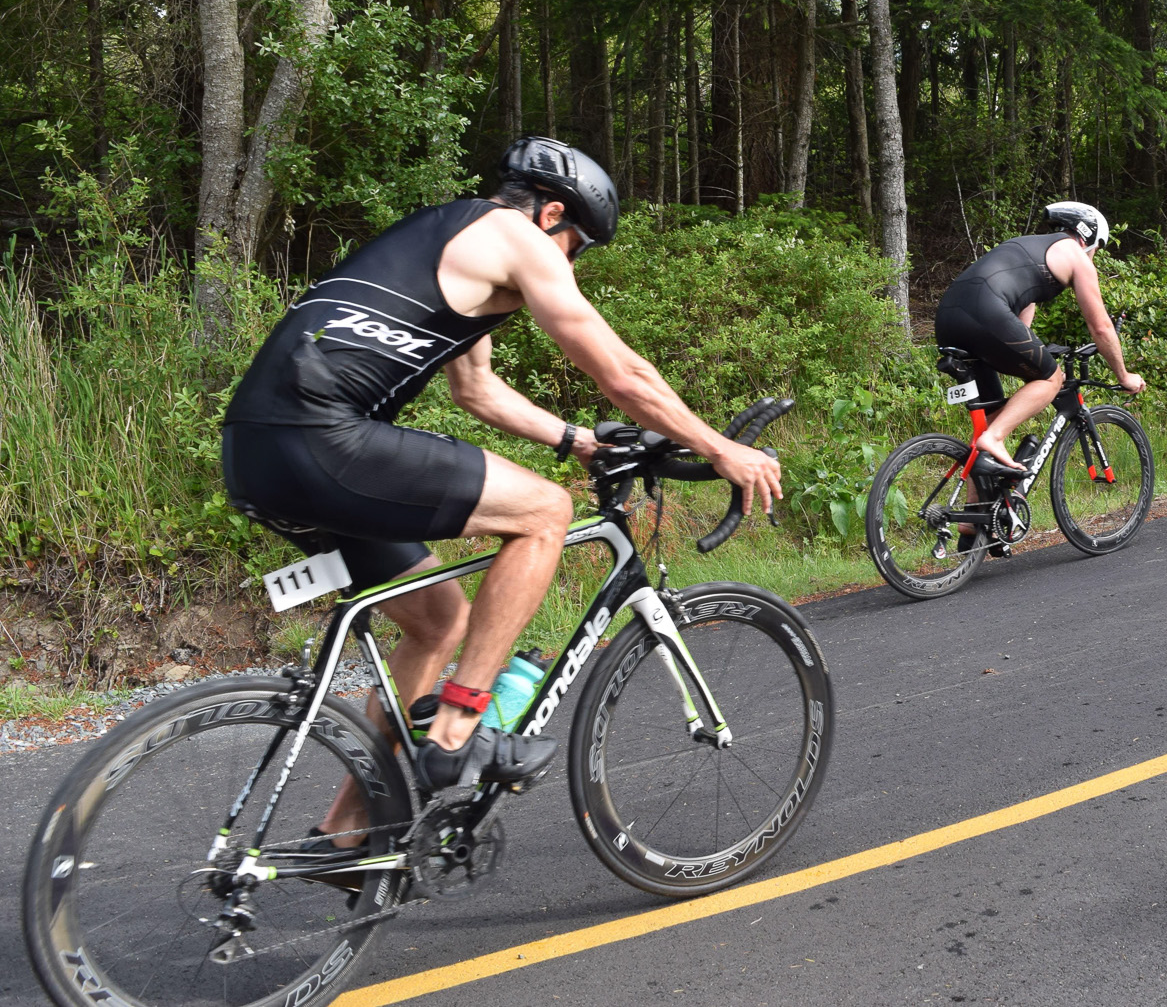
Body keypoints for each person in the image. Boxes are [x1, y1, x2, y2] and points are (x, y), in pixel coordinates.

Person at [221, 136, 781, 841]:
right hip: (322, 435)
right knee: (546, 511)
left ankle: (348, 832)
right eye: (576, 248)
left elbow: (477, 389)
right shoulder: (519, 238)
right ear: (552, 214)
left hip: (255, 447)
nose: (569, 266)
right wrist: (721, 448)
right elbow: (623, 374)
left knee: (436, 619)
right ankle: (458, 728)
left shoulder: (448, 235)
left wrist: (577, 440)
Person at [934, 201, 1144, 475]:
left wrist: (1034, 367)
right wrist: (1123, 376)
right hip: (985, 309)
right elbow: (1102, 328)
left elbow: (1017, 332)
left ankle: (979, 498)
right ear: (1088, 238)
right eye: (1097, 249)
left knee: (989, 426)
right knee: (1050, 380)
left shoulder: (1027, 249)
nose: (1094, 257)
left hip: (948, 318)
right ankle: (994, 438)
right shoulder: (1076, 255)